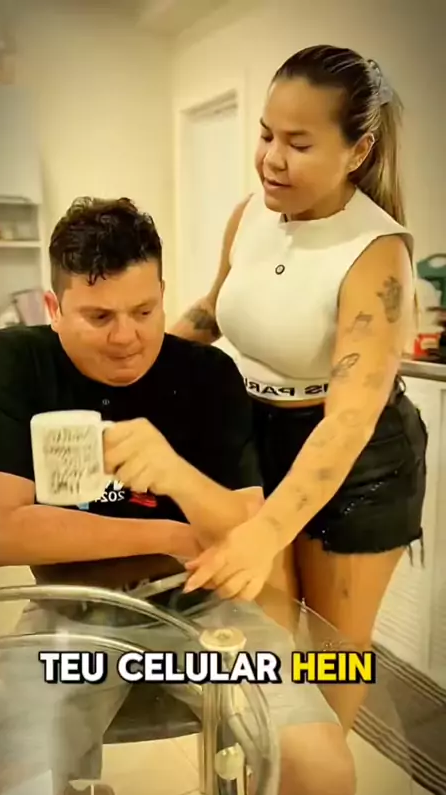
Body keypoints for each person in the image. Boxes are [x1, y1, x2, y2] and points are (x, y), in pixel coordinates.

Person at [0, 197, 355, 795]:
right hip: (73, 612)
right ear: (54, 308)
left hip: (205, 609)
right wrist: (171, 535)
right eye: (99, 317)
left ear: (164, 294)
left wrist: (176, 475)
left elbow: (245, 529)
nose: (127, 337)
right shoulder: (19, 359)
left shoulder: (207, 374)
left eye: (144, 311)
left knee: (323, 774)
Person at [171, 44, 428, 730]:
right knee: (268, 639)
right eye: (266, 135)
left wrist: (264, 533)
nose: (272, 159)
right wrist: (135, 363)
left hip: (355, 463)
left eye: (299, 143)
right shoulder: (250, 216)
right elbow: (214, 309)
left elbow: (348, 421)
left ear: (358, 150)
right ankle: (274, 759)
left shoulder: (377, 253)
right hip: (257, 434)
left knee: (332, 652)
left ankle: (322, 771)